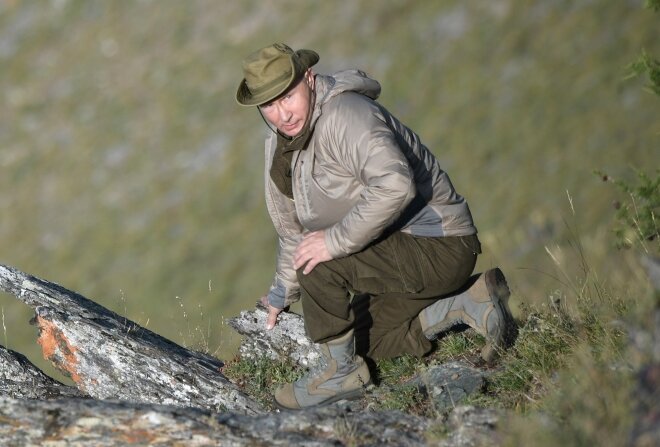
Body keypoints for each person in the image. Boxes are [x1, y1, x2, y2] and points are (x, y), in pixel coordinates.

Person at [235, 43, 516, 410]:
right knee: (363, 341)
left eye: (287, 96)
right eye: (269, 104)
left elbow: (395, 185)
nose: (281, 113)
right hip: (395, 253)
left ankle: (341, 376)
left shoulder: (346, 115)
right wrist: (280, 295)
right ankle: (469, 303)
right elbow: (294, 232)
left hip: (438, 244)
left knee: (319, 262)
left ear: (309, 78)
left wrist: (333, 243)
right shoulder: (280, 149)